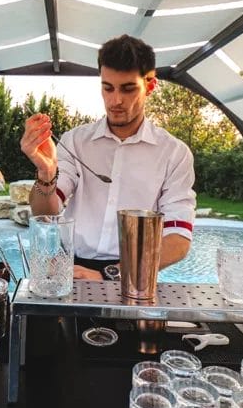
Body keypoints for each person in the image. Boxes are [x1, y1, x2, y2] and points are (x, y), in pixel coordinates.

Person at [20, 34, 196, 281]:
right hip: (72, 270)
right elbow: (44, 213)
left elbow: (178, 240)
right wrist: (46, 173)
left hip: (135, 274)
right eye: (107, 87)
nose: (115, 101)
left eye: (128, 88)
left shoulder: (174, 153)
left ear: (150, 85)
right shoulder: (75, 141)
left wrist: (110, 274)